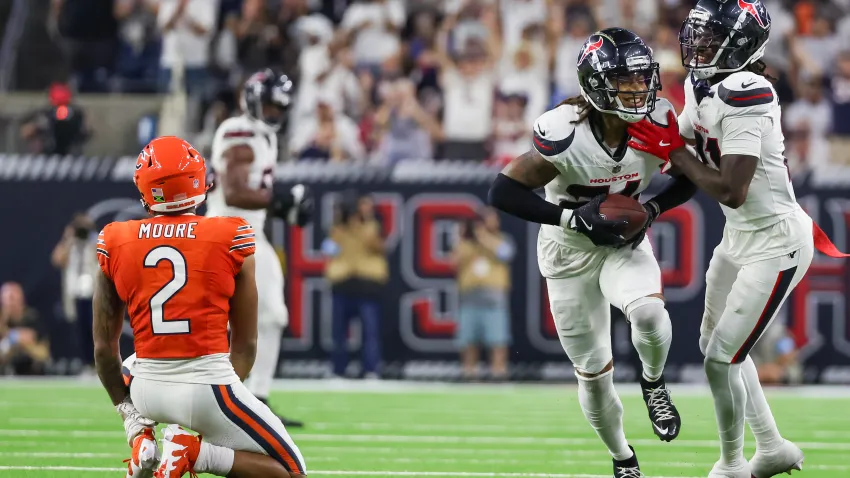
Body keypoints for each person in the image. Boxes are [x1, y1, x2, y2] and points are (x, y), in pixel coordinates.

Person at [624, 1, 849, 476]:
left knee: (720, 358)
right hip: (740, 236)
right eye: (698, 34)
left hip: (777, 241)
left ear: (741, 44)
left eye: (711, 36)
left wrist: (674, 152)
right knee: (715, 344)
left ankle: (732, 465)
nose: (697, 44)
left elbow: (730, 186)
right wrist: (651, 206)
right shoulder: (702, 84)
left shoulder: (749, 89)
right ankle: (771, 448)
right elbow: (683, 162)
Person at [488, 28, 696, 478]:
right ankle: (623, 457)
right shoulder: (565, 132)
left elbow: (691, 175)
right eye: (626, 80)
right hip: (568, 254)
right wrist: (571, 218)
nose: (639, 89)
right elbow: (502, 190)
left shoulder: (656, 121)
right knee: (594, 374)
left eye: (643, 79)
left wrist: (653, 207)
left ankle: (654, 382)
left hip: (623, 245)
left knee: (649, 316)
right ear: (597, 83)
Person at [92, 136, 307, 478]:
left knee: (131, 359)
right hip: (207, 387)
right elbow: (246, 346)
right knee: (292, 469)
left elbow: (105, 351)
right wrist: (207, 410)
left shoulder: (114, 239)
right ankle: (195, 454)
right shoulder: (231, 234)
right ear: (200, 183)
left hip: (146, 389)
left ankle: (141, 437)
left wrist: (130, 416)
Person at [205, 68, 313, 428]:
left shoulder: (262, 134)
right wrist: (279, 201)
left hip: (247, 233)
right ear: (251, 101)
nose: (275, 114)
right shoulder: (240, 132)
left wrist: (279, 204)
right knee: (243, 318)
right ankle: (238, 399)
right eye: (269, 105)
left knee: (270, 316)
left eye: (280, 108)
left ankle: (255, 399)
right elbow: (234, 191)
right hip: (230, 233)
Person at [322, 192, 387, 379]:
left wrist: (363, 223)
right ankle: (338, 369)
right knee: (339, 332)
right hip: (343, 282)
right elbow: (330, 248)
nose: (366, 209)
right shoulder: (338, 228)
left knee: (370, 331)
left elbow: (378, 246)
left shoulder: (373, 226)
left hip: (367, 283)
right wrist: (342, 223)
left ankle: (371, 369)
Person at [452, 208, 514, 381]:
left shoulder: (502, 240)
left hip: (493, 300)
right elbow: (453, 263)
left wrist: (483, 237)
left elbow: (506, 253)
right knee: (468, 340)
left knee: (497, 339)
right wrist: (463, 237)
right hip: (470, 299)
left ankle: (498, 372)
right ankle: (469, 372)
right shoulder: (465, 243)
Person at [51, 212, 99, 372]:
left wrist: (93, 240)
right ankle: (85, 363)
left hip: (92, 290)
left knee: (94, 328)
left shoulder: (95, 241)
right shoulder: (70, 244)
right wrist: (67, 239)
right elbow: (57, 260)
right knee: (79, 329)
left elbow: (102, 259)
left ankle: (97, 363)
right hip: (75, 292)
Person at [0, 283, 50, 375]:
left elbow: (44, 354)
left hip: (31, 373)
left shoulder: (32, 319)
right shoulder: (2, 323)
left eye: (13, 298)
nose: (11, 303)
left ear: (22, 300)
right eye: (8, 299)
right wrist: (11, 335)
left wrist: (22, 342)